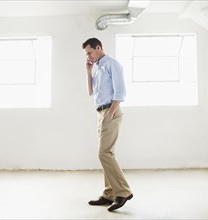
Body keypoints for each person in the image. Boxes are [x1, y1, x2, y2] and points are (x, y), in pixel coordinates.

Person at [82, 37, 133, 212]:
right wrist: (88, 71)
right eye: (86, 54)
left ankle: (123, 191)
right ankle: (109, 193)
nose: (88, 56)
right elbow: (91, 92)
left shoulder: (113, 64)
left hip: (111, 111)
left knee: (104, 153)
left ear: (98, 48)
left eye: (89, 52)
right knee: (107, 153)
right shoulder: (95, 67)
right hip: (100, 112)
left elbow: (120, 92)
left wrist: (110, 114)